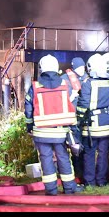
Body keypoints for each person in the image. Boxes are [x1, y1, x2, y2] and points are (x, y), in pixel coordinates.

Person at [25, 54, 84, 196]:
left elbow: (28, 109)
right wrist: (73, 129)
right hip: (60, 132)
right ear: (56, 67)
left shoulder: (35, 86)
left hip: (41, 132)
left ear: (41, 69)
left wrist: (29, 127)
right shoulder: (65, 84)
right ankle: (69, 188)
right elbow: (71, 105)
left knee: (46, 160)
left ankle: (51, 190)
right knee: (64, 158)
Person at [77, 53, 109, 187]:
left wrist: (79, 119)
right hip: (106, 122)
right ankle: (102, 180)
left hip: (91, 124)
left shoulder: (88, 83)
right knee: (103, 152)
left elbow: (83, 105)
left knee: (89, 152)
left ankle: (90, 182)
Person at [60, 57, 88, 177]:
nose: (82, 70)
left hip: (84, 119)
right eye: (79, 68)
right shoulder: (65, 80)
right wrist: (71, 96)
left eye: (83, 67)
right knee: (75, 147)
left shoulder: (86, 78)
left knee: (84, 147)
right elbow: (61, 100)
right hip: (71, 119)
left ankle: (84, 171)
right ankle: (78, 172)